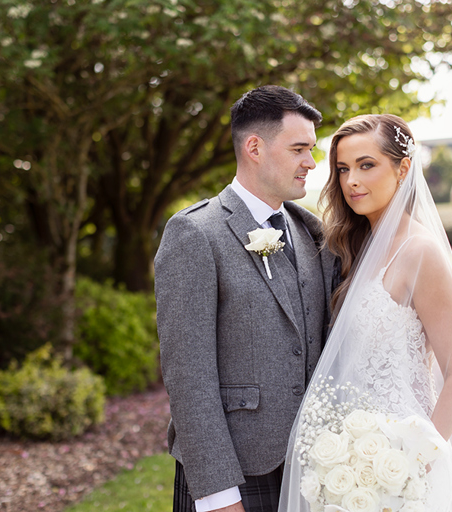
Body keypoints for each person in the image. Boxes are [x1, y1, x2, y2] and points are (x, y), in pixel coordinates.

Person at [278, 114, 452, 512]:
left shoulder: (421, 253)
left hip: (404, 465)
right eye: (343, 169)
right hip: (348, 458)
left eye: (366, 165)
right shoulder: (354, 250)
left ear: (403, 168)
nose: (351, 180)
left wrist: (417, 462)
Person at [155, 85, 337, 512]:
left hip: (310, 468)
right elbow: (188, 376)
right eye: (299, 149)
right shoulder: (195, 234)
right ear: (255, 147)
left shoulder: (311, 231)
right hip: (235, 476)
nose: (311, 163)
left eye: (311, 149)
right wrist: (218, 494)